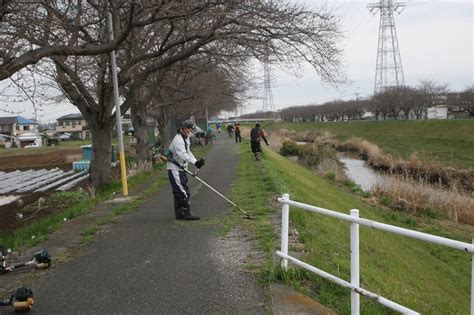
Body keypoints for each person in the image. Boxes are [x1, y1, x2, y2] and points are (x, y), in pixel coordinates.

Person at [167, 120, 205, 220]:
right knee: (183, 192)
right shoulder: (178, 140)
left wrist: (196, 162)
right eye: (191, 130)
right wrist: (194, 162)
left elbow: (188, 152)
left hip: (181, 169)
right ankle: (187, 213)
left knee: (178, 192)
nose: (192, 132)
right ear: (185, 129)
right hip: (175, 169)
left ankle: (179, 213)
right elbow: (182, 155)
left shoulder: (185, 138)